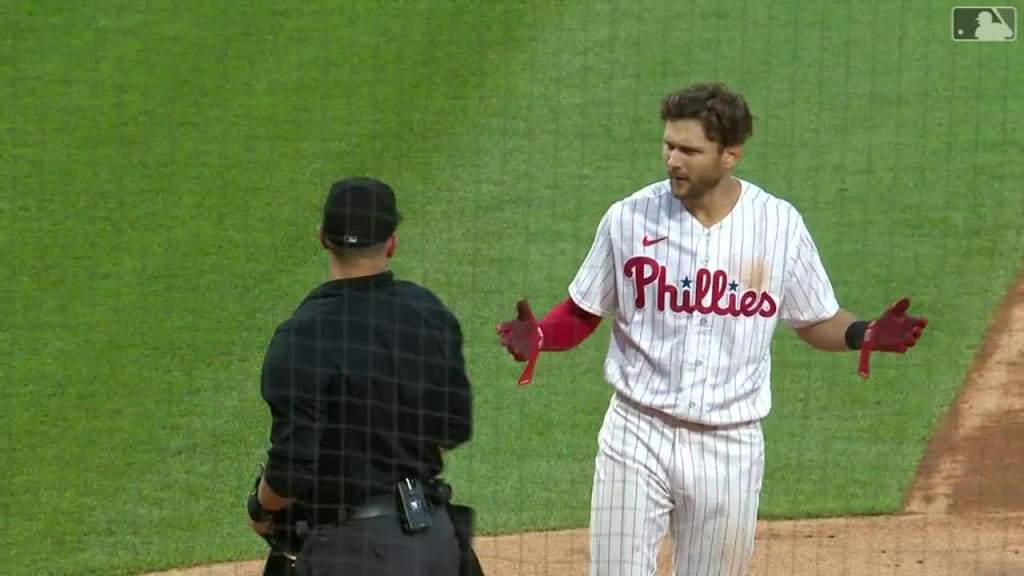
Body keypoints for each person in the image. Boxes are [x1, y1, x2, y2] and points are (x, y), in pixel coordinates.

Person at [495, 83, 928, 576]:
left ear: (730, 155)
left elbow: (815, 318)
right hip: (638, 431)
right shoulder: (629, 218)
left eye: (689, 150)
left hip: (730, 443)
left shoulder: (778, 225)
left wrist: (864, 333)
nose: (673, 160)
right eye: (668, 145)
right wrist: (543, 338)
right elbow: (583, 310)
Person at [246, 177, 482, 576]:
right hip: (437, 544)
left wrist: (259, 508)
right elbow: (452, 430)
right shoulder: (429, 315)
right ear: (392, 242)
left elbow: (291, 469)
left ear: (323, 238)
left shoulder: (303, 335)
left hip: (351, 556)